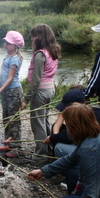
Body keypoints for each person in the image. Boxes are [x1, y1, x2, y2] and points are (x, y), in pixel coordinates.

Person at [21, 24, 61, 159]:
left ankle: (40, 154)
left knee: (37, 123)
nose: (32, 39)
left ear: (39, 37)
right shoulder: (52, 51)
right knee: (44, 120)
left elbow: (36, 79)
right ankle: (50, 149)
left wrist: (26, 99)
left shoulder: (40, 54)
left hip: (41, 91)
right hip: (50, 89)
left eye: (33, 36)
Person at [44, 87, 100, 157]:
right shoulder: (85, 112)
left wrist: (52, 138)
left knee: (59, 148)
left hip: (96, 151)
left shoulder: (92, 115)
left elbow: (72, 136)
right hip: (88, 144)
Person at [0, 31, 25, 157]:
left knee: (13, 120)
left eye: (8, 43)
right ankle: (8, 143)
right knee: (6, 118)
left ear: (15, 45)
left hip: (13, 92)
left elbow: (11, 78)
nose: (5, 44)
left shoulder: (15, 58)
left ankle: (16, 147)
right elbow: (6, 75)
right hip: (7, 91)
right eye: (5, 42)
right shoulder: (7, 56)